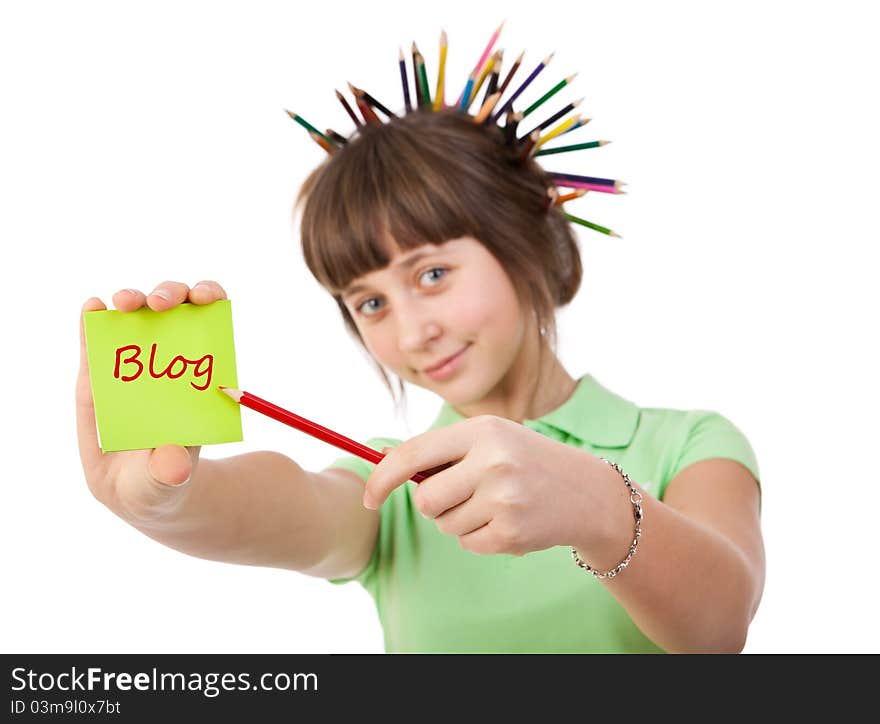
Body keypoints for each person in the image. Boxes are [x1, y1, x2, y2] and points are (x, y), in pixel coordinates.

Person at [77, 94, 764, 655]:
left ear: (527, 242)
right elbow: (293, 505)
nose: (411, 332)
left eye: (432, 274)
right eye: (370, 302)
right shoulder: (392, 484)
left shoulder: (691, 445)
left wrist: (595, 504)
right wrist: (167, 502)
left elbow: (718, 629)